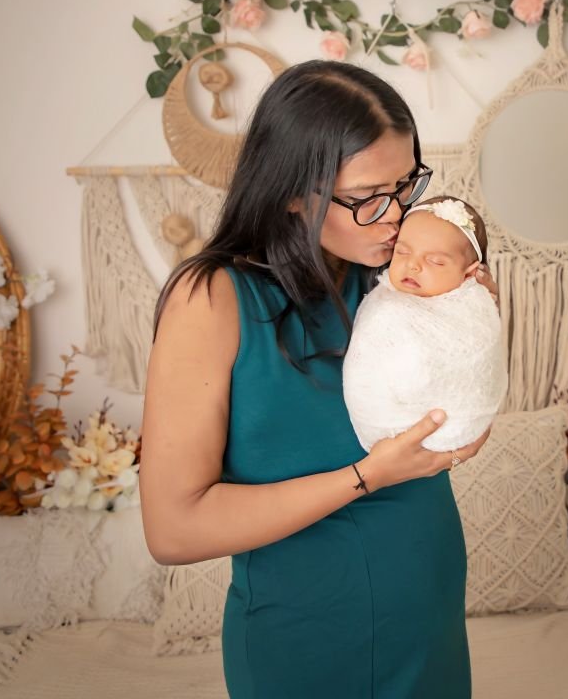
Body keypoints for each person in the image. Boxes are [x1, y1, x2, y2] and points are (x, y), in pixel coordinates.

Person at [139, 60, 497, 698]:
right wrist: (367, 477)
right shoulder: (213, 300)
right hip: (306, 634)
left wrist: (471, 328)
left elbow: (456, 428)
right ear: (293, 190)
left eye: (406, 185)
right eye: (367, 199)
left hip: (427, 613)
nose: (395, 217)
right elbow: (173, 529)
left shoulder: (394, 281)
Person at [344, 196, 508, 455]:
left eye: (435, 261)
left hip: (445, 425)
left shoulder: (469, 307)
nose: (412, 265)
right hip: (378, 428)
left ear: (468, 273)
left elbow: (476, 358)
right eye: (402, 252)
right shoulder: (385, 298)